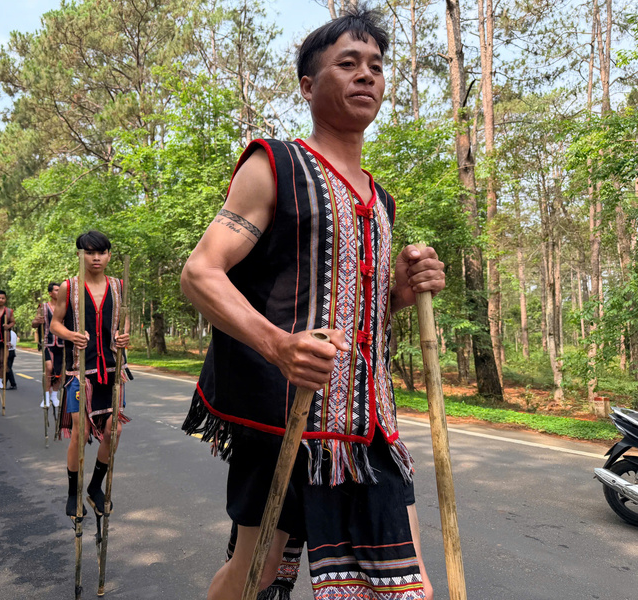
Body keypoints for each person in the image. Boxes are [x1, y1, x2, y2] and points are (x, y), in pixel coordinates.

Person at [180, 8, 445, 600]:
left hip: (368, 428)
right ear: (307, 85)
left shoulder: (381, 201)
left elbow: (353, 309)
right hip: (282, 420)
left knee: (408, 586)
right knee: (256, 573)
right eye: (347, 63)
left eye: (376, 65)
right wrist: (278, 345)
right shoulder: (273, 165)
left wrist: (400, 295)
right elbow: (200, 274)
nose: (366, 75)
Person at [50, 230, 130, 519]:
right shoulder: (69, 287)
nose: (96, 258)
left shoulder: (119, 286)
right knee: (80, 433)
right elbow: (55, 324)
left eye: (101, 252)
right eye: (90, 252)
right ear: (80, 255)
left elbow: (124, 321)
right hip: (80, 370)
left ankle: (95, 487)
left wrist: (124, 336)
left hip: (112, 369)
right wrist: (71, 335)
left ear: (109, 255)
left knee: (114, 430)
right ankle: (73, 493)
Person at [32, 282, 64, 408]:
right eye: (56, 290)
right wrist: (37, 321)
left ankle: (54, 395)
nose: (59, 292)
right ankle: (46, 396)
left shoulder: (66, 307)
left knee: (60, 371)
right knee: (49, 368)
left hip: (62, 343)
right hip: (48, 342)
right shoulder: (43, 307)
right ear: (50, 293)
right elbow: (34, 324)